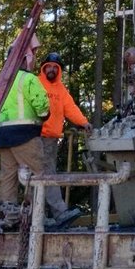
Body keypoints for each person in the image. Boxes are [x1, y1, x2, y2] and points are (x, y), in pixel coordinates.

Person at [37, 52, 90, 226]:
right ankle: (56, 213)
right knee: (43, 175)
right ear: (44, 68)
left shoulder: (61, 90)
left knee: (42, 175)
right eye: (49, 66)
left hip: (51, 140)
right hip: (37, 137)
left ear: (58, 70)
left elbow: (71, 108)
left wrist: (84, 123)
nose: (51, 69)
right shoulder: (36, 83)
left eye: (55, 67)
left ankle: (38, 216)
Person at [0, 57, 51, 219]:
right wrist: (45, 115)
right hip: (25, 134)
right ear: (25, 60)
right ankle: (37, 216)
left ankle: (8, 215)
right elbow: (41, 106)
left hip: (4, 134)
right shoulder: (28, 78)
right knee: (37, 174)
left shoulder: (2, 81)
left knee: (8, 176)